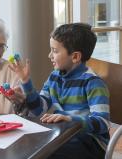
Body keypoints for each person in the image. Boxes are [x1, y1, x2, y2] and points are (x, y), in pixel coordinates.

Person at [8, 23, 110, 159]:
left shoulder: (93, 83)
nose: (49, 55)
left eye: (55, 51)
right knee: (29, 148)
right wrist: (26, 82)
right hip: (63, 136)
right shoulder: (54, 77)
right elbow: (39, 109)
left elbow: (102, 122)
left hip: (90, 143)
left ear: (75, 57)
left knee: (45, 153)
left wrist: (70, 119)